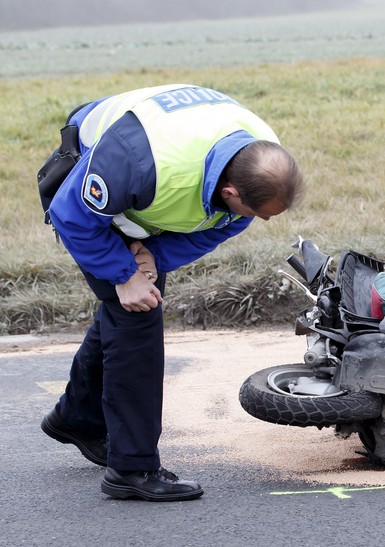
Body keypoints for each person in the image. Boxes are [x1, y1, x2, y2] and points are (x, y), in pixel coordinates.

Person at [38, 84, 304, 502]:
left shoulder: (257, 159)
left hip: (147, 192)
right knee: (137, 314)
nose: (261, 221)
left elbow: (223, 223)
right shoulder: (138, 163)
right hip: (87, 179)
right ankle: (132, 468)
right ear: (231, 191)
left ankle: (79, 418)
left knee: (132, 303)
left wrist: (153, 256)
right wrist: (123, 274)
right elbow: (72, 216)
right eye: (258, 213)